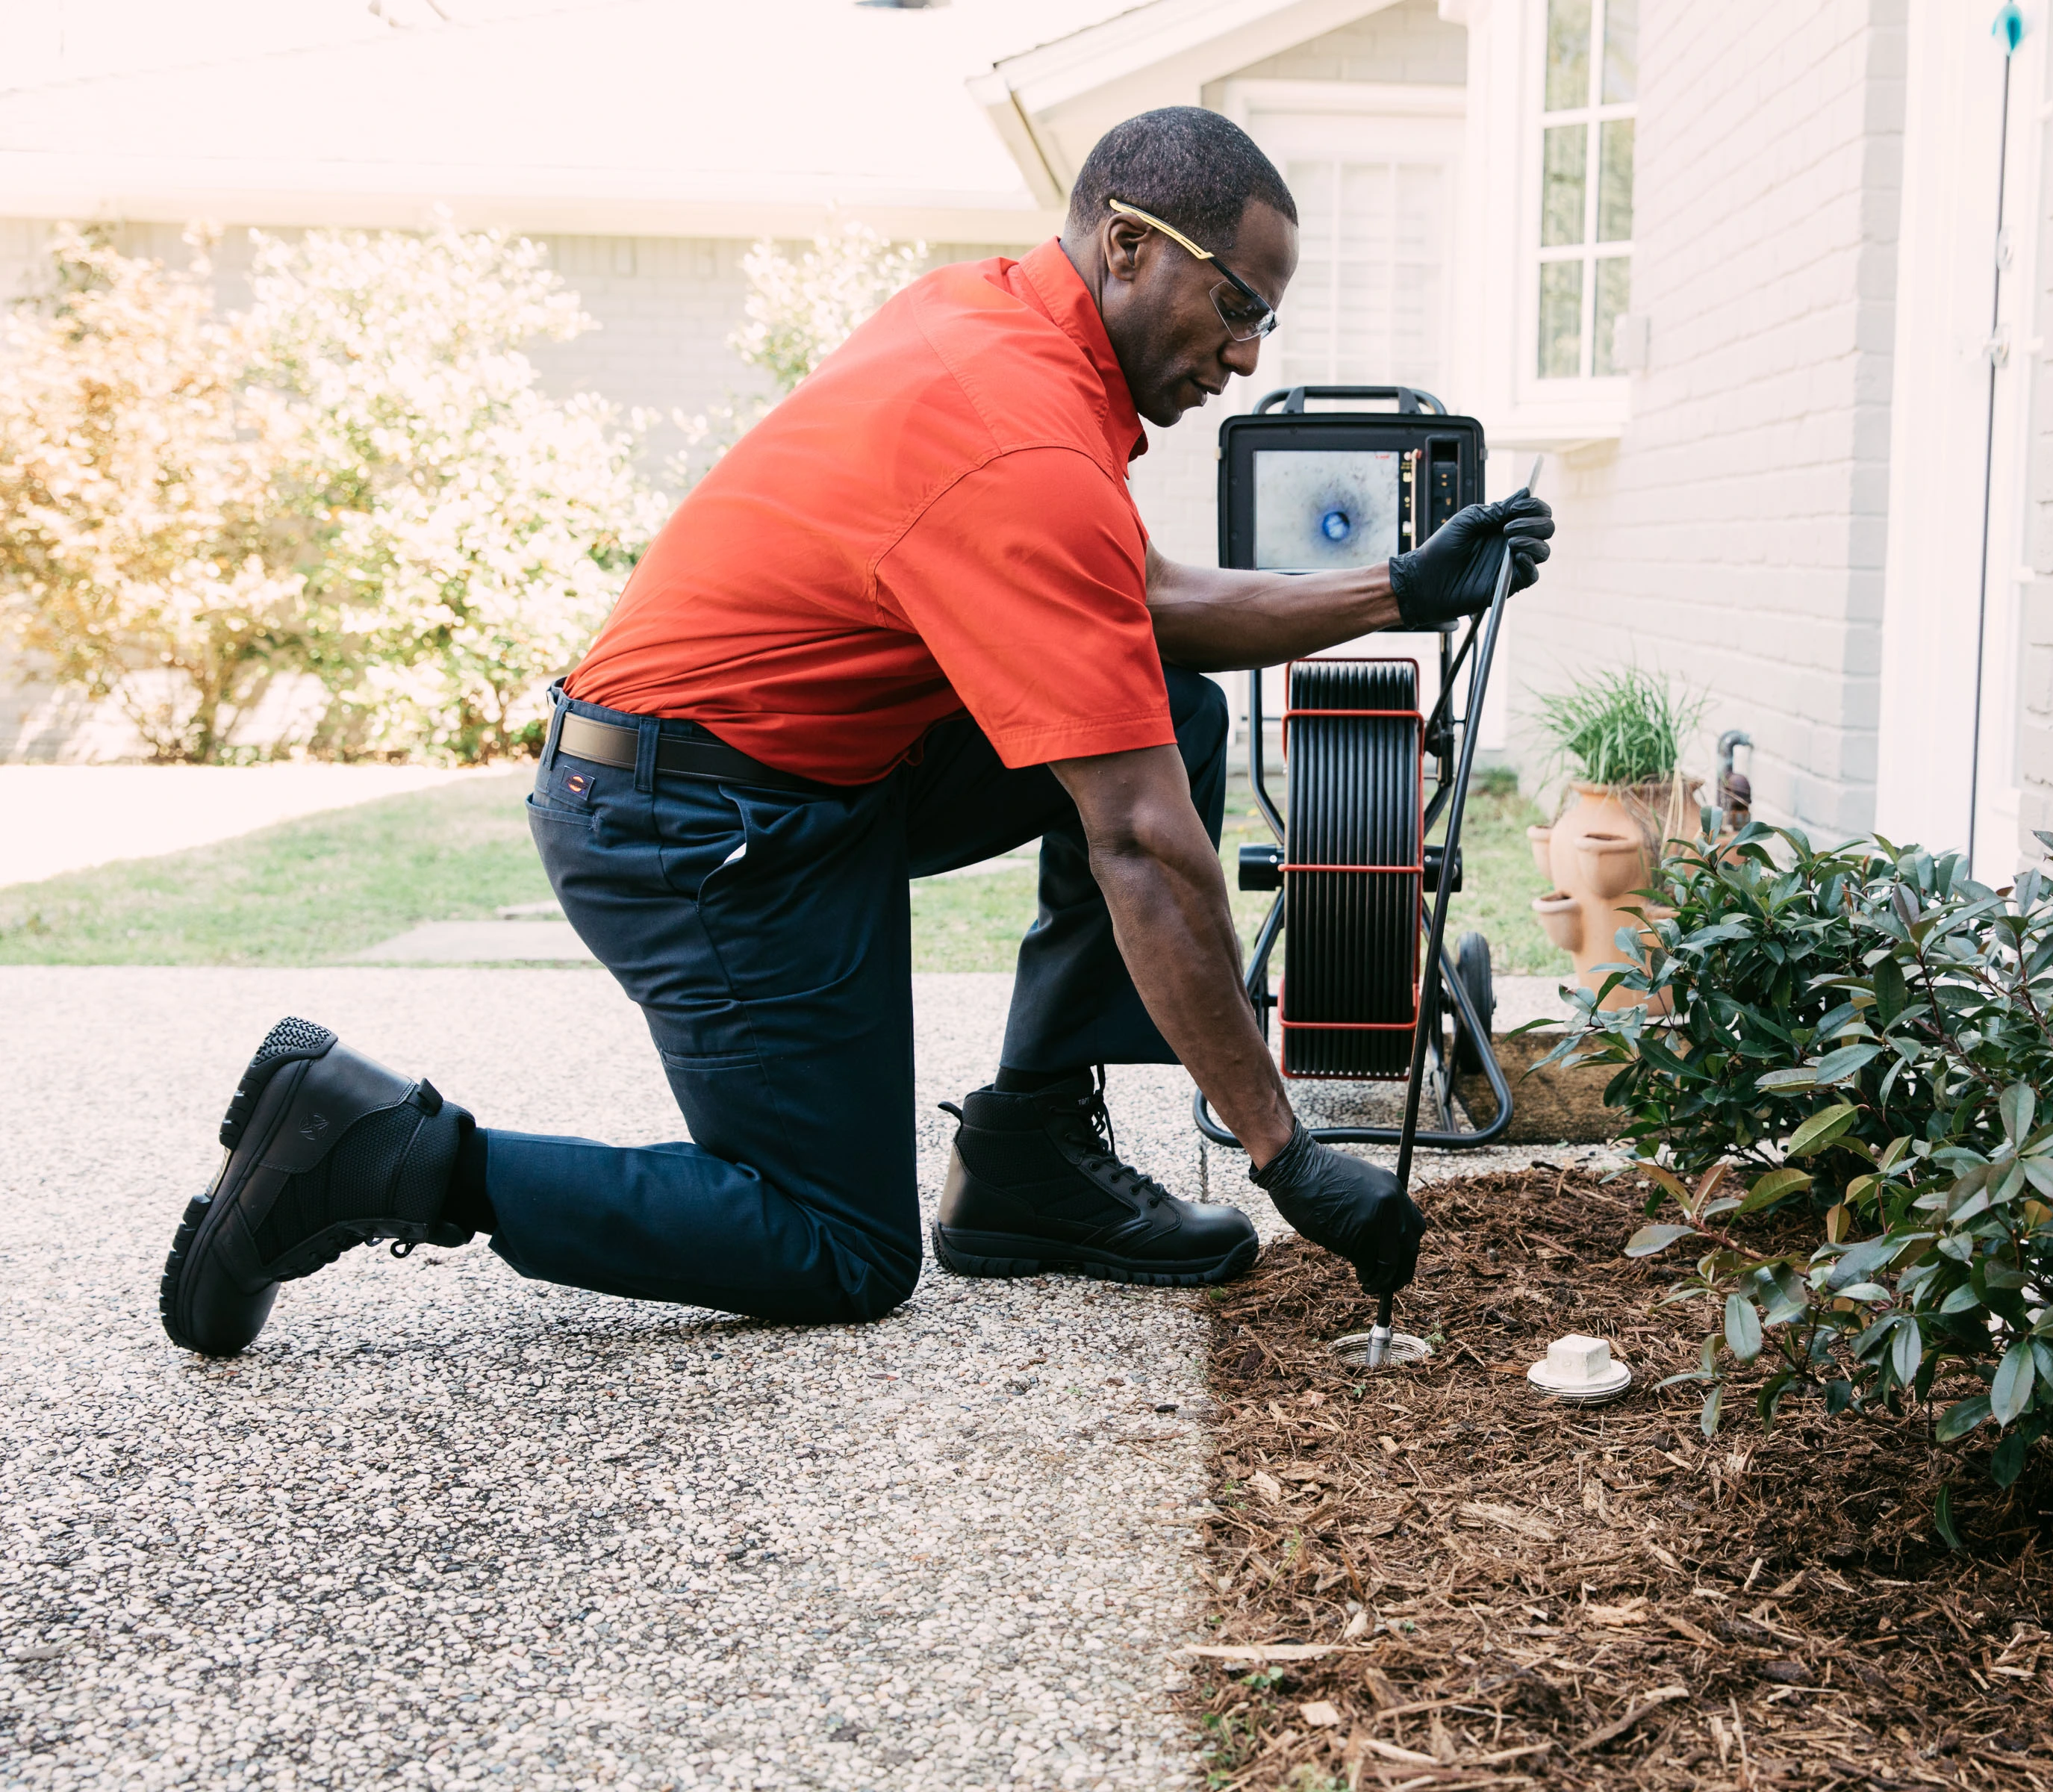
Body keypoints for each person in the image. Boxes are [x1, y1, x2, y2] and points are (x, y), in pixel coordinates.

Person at [158, 107, 1553, 1357]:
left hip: (796, 771)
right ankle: (381, 1155)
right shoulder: (1021, 443)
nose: (1247, 353)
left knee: (1164, 704)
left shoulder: (995, 322)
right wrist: (1284, 1149)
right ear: (1132, 245)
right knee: (836, 1245)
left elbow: (1136, 601)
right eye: (1235, 299)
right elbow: (1138, 840)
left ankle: (1028, 1161)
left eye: (1267, 319)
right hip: (688, 826)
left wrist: (1396, 592)